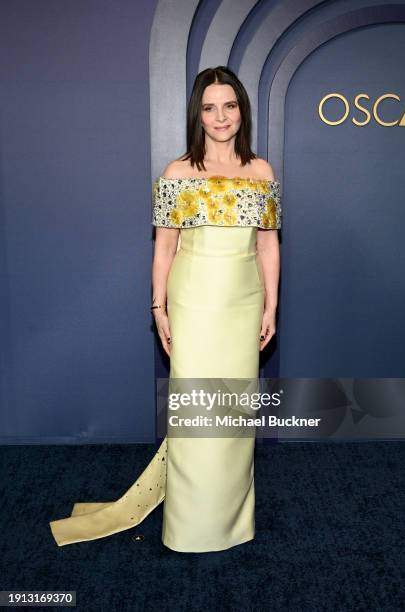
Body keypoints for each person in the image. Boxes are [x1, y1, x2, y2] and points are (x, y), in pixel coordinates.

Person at [49, 66, 281, 552]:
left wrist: (271, 306)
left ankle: (233, 521)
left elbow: (268, 247)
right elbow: (164, 250)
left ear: (243, 110)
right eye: (210, 107)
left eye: (230, 105)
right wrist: (159, 308)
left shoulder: (262, 172)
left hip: (244, 301)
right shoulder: (178, 173)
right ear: (198, 114)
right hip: (193, 299)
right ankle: (190, 526)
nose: (221, 117)